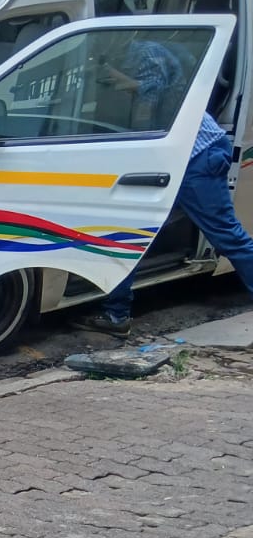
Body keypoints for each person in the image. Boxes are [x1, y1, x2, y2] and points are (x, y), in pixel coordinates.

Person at [76, 21, 253, 334]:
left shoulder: (147, 54)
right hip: (170, 153)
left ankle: (117, 314)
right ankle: (116, 315)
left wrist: (120, 82)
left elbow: (154, 101)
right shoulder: (118, 58)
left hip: (195, 155)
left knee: (225, 235)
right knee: (128, 231)